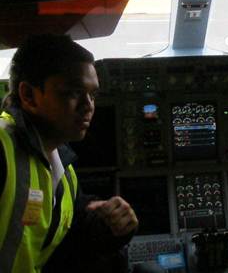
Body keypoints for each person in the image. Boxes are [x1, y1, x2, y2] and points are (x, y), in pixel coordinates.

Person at [0, 34, 138, 272]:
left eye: (92, 95)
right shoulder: (3, 148)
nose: (89, 106)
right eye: (73, 92)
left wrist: (109, 225)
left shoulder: (62, 168)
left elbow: (68, 240)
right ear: (29, 96)